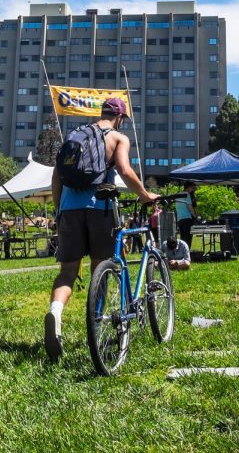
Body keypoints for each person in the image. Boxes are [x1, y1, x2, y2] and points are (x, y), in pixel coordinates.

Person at [44, 97, 158, 363]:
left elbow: (57, 176)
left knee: (67, 273)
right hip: (101, 208)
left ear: (102, 112)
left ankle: (55, 312)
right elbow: (125, 170)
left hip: (69, 209)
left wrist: (59, 211)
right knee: (101, 270)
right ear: (120, 118)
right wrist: (144, 195)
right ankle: (96, 326)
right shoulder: (117, 137)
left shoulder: (75, 135)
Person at [174, 183, 197, 250]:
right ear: (188, 187)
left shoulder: (178, 195)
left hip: (180, 219)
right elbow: (190, 208)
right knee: (188, 238)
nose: (193, 189)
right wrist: (195, 216)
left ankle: (182, 252)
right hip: (187, 218)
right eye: (192, 188)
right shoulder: (187, 194)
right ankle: (187, 253)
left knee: (182, 238)